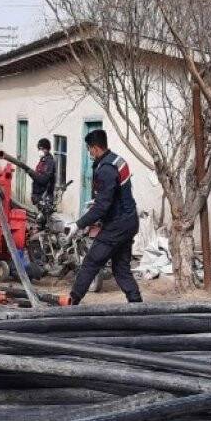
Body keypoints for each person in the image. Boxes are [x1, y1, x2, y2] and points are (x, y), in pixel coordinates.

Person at [65, 130, 141, 304]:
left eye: (89, 149)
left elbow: (102, 207)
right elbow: (115, 195)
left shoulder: (106, 169)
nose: (89, 152)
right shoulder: (117, 160)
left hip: (117, 225)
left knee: (91, 262)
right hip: (129, 221)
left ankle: (72, 301)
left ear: (95, 148)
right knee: (121, 268)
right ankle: (137, 305)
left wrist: (78, 224)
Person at [29, 137, 58, 206]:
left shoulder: (49, 162)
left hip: (44, 197)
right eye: (39, 149)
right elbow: (38, 175)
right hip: (38, 196)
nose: (40, 151)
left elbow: (43, 180)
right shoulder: (43, 160)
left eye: (41, 149)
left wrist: (31, 173)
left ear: (47, 149)